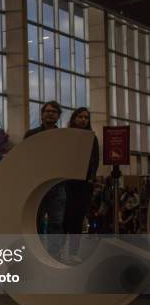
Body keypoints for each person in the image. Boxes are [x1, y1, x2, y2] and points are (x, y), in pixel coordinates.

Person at [24, 101, 66, 258]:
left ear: (58, 116)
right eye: (47, 111)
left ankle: (54, 254)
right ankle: (37, 252)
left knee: (57, 221)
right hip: (36, 184)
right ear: (42, 115)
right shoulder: (31, 134)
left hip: (57, 184)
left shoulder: (64, 136)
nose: (50, 113)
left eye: (54, 111)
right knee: (35, 221)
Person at [63, 107, 99, 261]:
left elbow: (95, 160)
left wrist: (91, 178)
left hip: (84, 183)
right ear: (74, 118)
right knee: (64, 218)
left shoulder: (92, 138)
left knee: (78, 219)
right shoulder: (66, 136)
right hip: (66, 182)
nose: (84, 120)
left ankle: (73, 252)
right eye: (80, 117)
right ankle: (59, 250)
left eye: (86, 117)